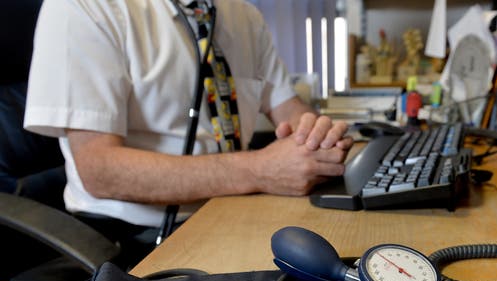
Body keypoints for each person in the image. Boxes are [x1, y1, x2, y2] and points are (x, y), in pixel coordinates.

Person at [24, 0, 353, 264]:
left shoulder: (243, 15)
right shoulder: (84, 8)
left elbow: (290, 108)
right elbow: (99, 169)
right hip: (133, 238)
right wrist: (260, 170)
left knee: (347, 256)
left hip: (235, 208)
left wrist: (316, 135)